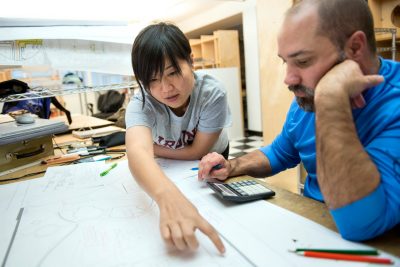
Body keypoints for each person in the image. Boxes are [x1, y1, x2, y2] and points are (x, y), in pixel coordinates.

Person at [199, 0, 400, 242]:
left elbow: (360, 223)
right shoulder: (308, 99)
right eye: (286, 61)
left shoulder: (387, 101)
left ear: (355, 48)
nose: (289, 79)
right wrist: (234, 166)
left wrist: (330, 98)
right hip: (314, 227)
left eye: (303, 61)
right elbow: (281, 152)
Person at [125, 22, 231, 253]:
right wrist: (167, 197)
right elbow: (136, 152)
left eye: (172, 72)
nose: (165, 88)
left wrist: (153, 149)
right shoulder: (141, 102)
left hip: (211, 153)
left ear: (191, 61)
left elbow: (197, 151)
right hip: (173, 156)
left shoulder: (212, 93)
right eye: (152, 80)